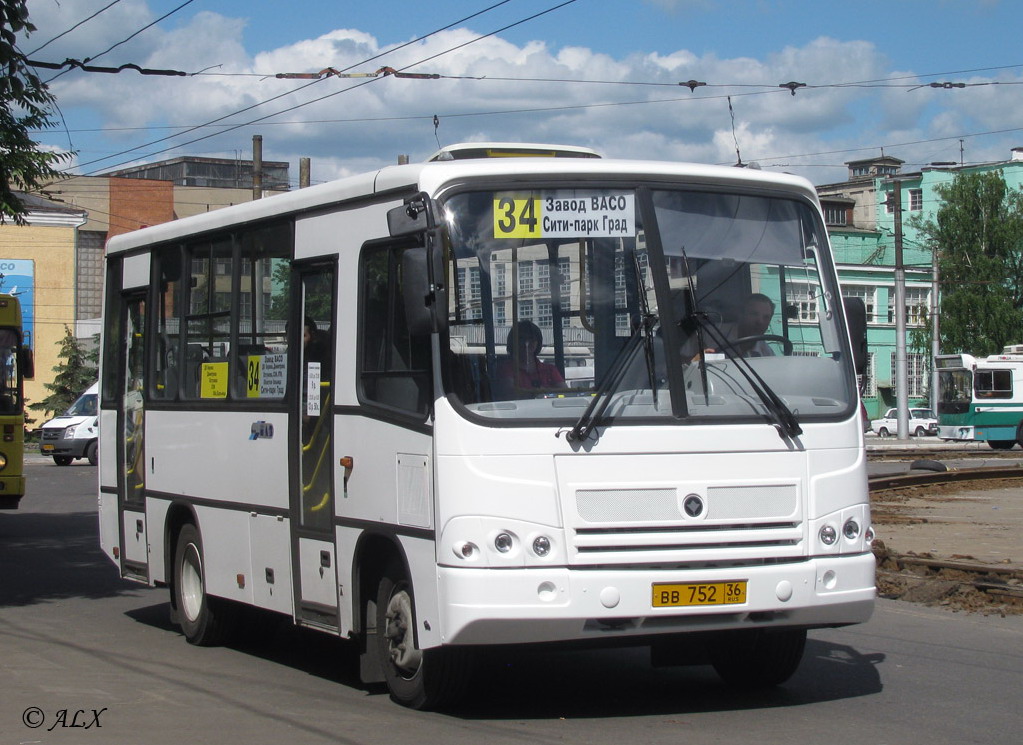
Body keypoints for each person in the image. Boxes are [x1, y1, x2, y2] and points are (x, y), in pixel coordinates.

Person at [494, 320, 566, 396]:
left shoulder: (550, 370)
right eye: (521, 339)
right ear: (513, 342)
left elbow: (565, 393)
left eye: (531, 339)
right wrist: (542, 392)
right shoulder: (505, 369)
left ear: (538, 342)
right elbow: (510, 393)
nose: (526, 343)